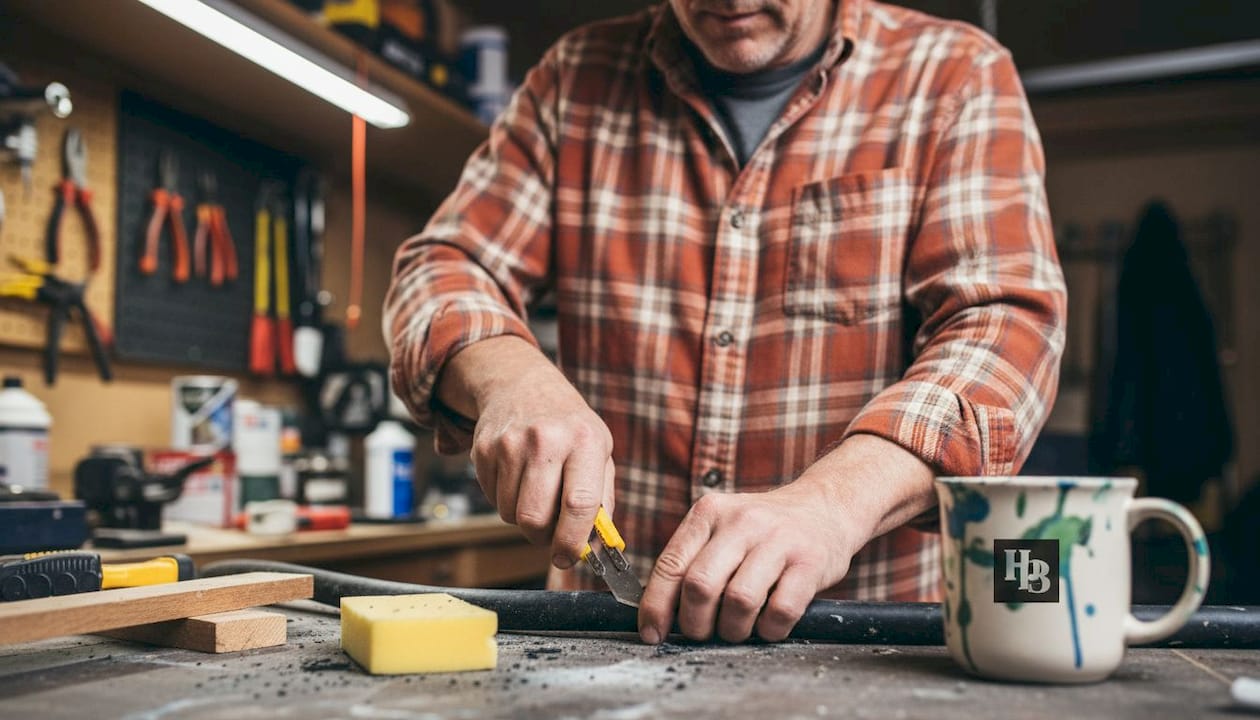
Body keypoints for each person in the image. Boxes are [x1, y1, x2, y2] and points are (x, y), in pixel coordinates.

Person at [385, 0, 1066, 646]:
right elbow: (442, 266)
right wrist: (509, 378)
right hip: (601, 645)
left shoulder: (955, 75)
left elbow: (1002, 328)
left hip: (866, 650)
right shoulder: (574, 80)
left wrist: (832, 504)